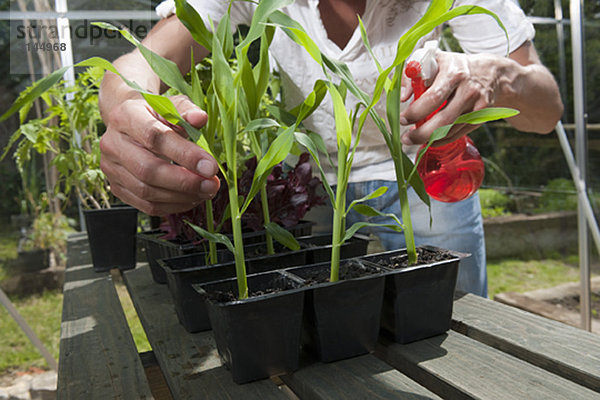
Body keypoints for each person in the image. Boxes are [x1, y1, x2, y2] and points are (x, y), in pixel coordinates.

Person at [98, 0, 563, 297]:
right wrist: (126, 106)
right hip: (316, 188)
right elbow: (144, 60)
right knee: (324, 339)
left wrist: (498, 75)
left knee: (456, 324)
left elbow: (547, 111)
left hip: (424, 178)